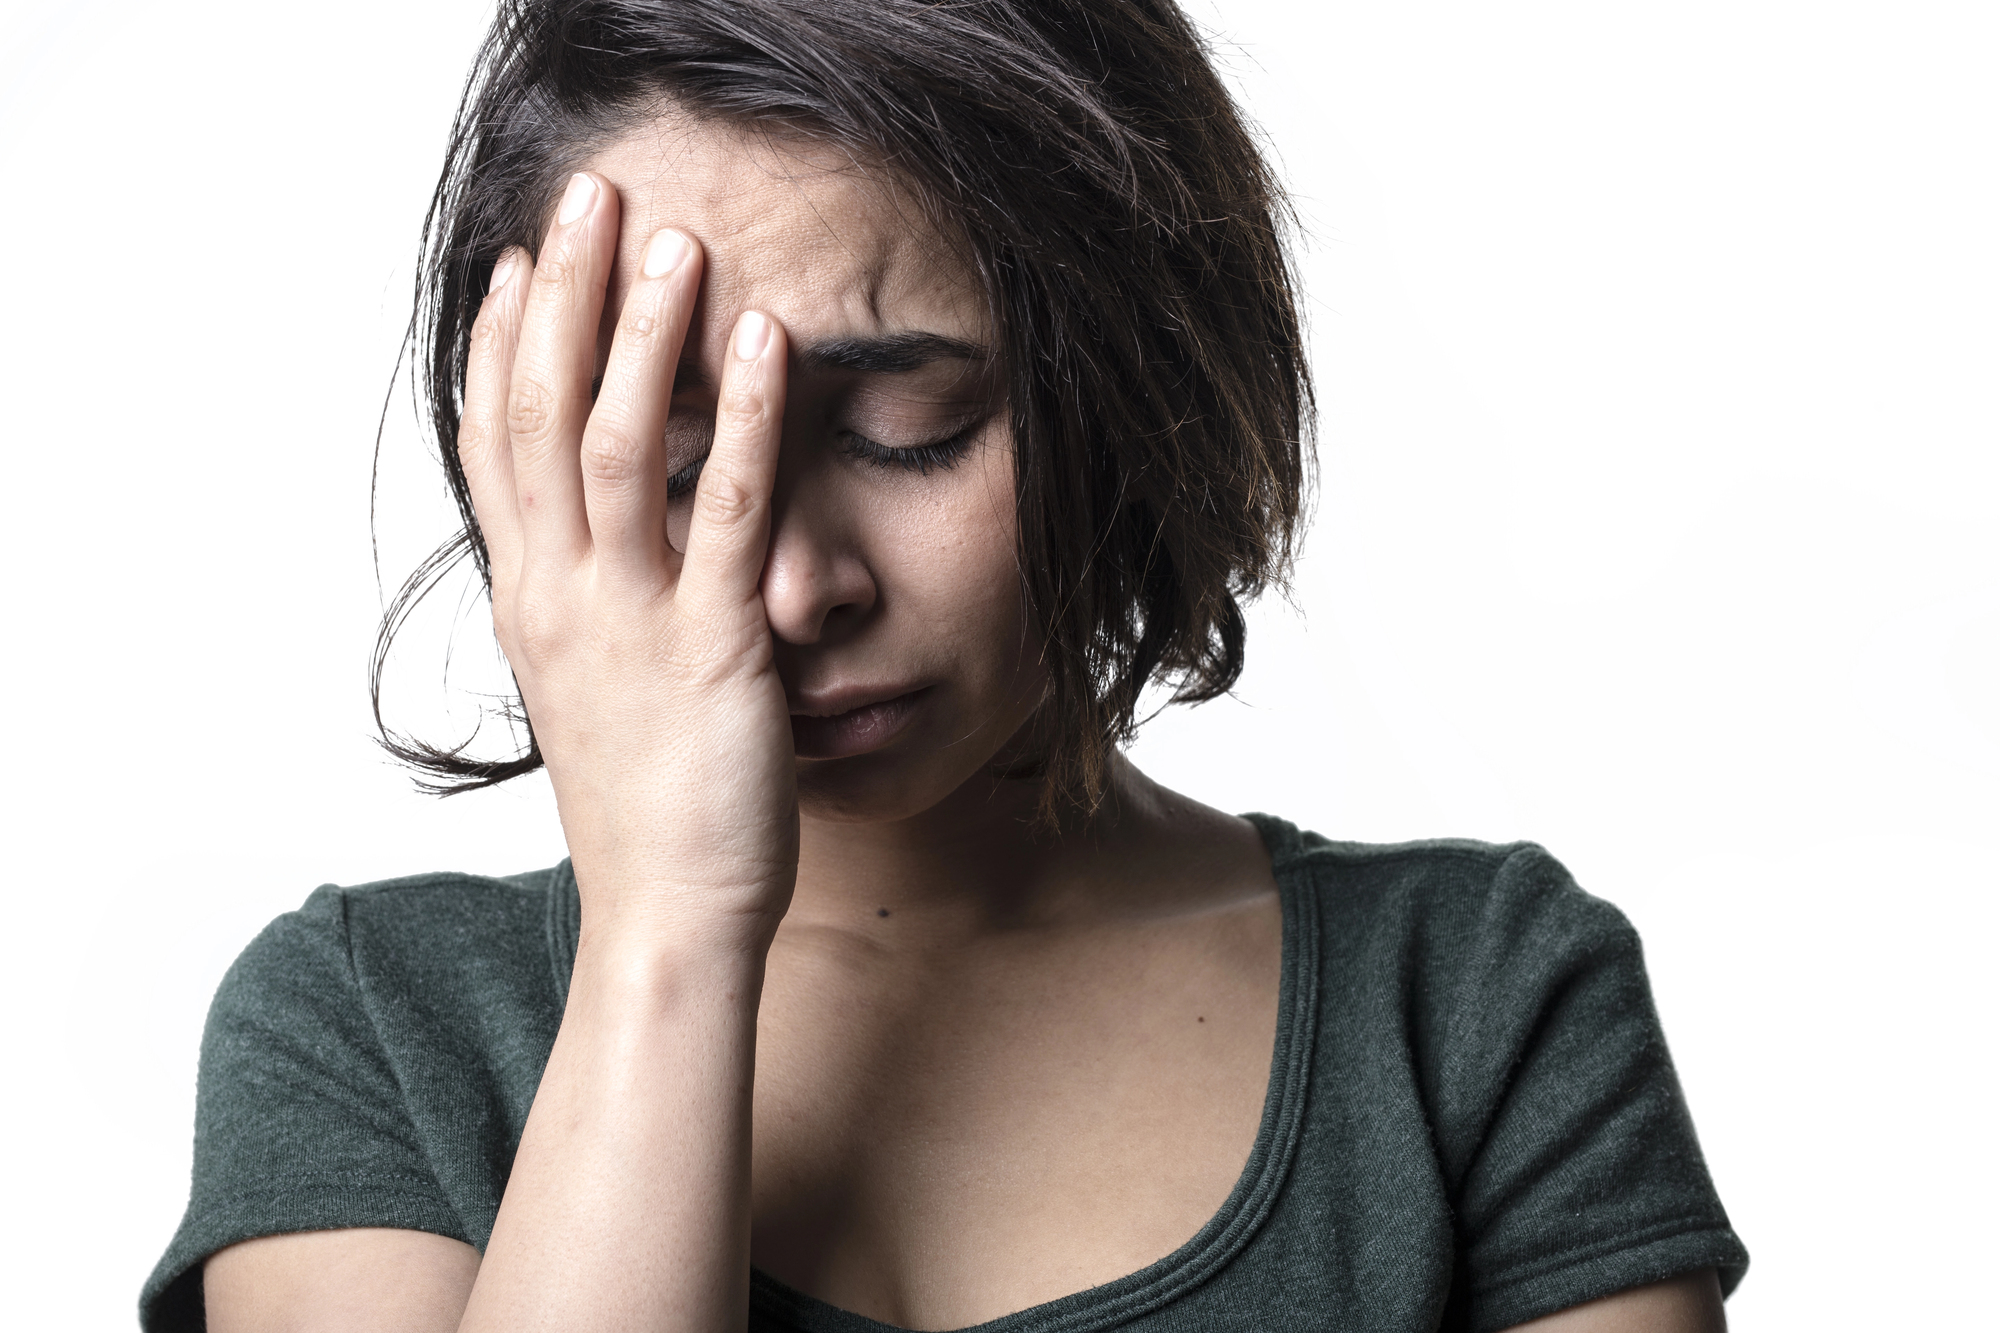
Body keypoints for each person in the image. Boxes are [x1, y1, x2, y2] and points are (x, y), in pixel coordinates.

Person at [142, 1, 1748, 1329]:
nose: (791, 583)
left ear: (1130, 378)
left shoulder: (1483, 1006)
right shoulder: (364, 1030)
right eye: (680, 465)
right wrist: (668, 933)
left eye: (908, 431)